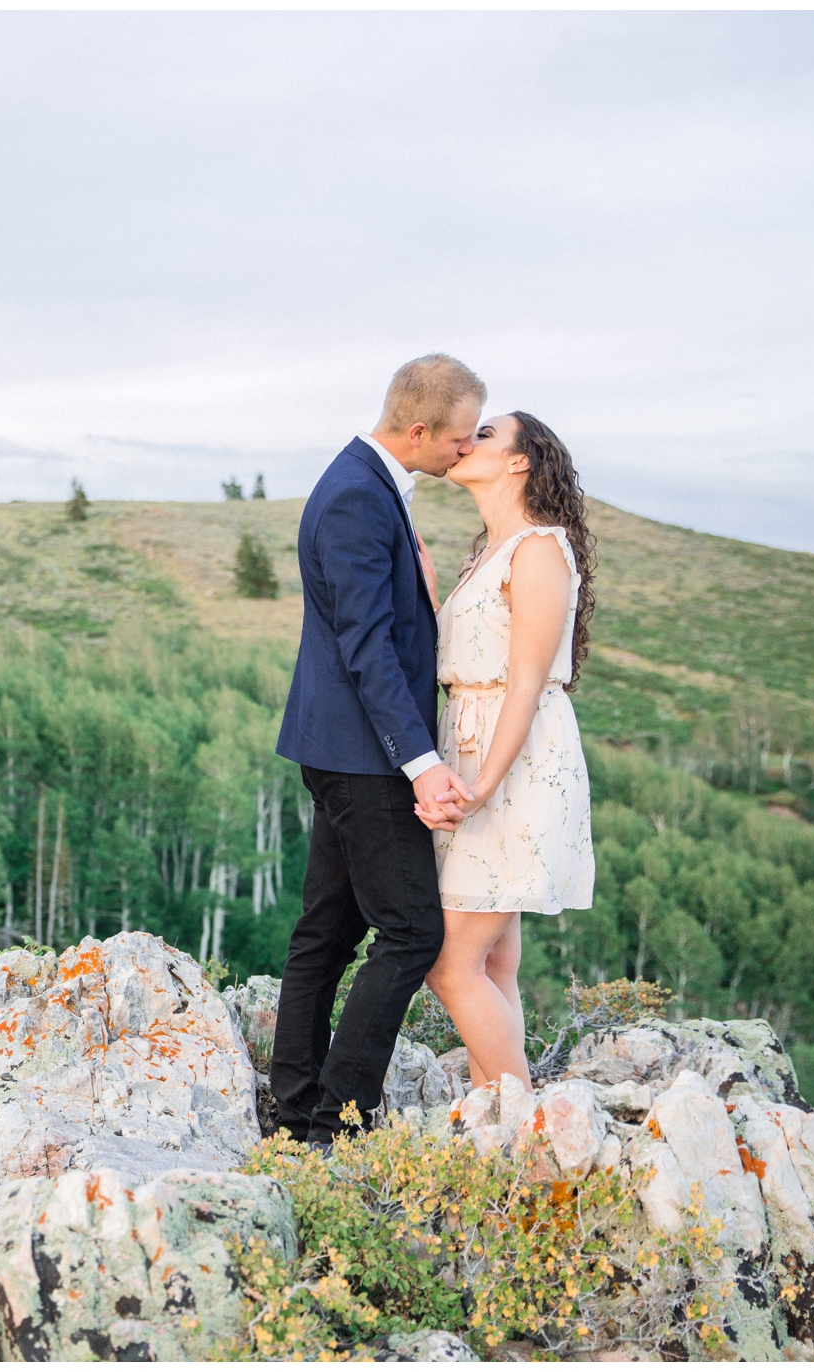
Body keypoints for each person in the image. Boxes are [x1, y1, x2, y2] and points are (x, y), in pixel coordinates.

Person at [270, 353, 483, 1146]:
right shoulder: (359, 498)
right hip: (365, 754)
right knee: (411, 933)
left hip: (339, 744)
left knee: (325, 931)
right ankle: (337, 1121)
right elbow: (368, 648)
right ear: (420, 429)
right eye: (460, 438)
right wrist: (421, 762)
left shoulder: (361, 481)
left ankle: (296, 1110)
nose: (465, 451)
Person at [419, 411, 597, 1091]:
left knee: (449, 963)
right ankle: (506, 1113)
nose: (467, 443)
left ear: (522, 462)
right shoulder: (492, 553)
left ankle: (518, 1123)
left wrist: (486, 781)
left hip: (512, 764)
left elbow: (526, 680)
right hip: (472, 747)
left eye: (486, 435)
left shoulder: (539, 549)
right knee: (492, 964)